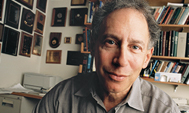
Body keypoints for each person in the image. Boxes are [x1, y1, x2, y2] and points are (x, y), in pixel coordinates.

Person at [34, 0, 181, 112]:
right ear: (92, 46)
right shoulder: (58, 98)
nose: (121, 61)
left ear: (147, 58)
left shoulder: (165, 109)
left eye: (135, 47)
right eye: (111, 42)